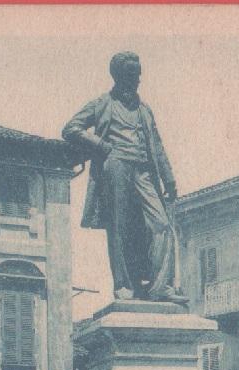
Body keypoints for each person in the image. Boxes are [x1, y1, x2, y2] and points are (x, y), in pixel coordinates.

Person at [62, 51, 188, 305]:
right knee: (119, 227)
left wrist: (169, 178)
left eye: (139, 73)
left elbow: (158, 146)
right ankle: (123, 285)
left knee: (161, 224)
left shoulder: (145, 110)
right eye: (133, 73)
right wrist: (101, 145)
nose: (138, 78)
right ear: (119, 76)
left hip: (143, 170)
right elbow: (71, 128)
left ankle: (160, 286)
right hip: (116, 166)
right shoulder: (101, 104)